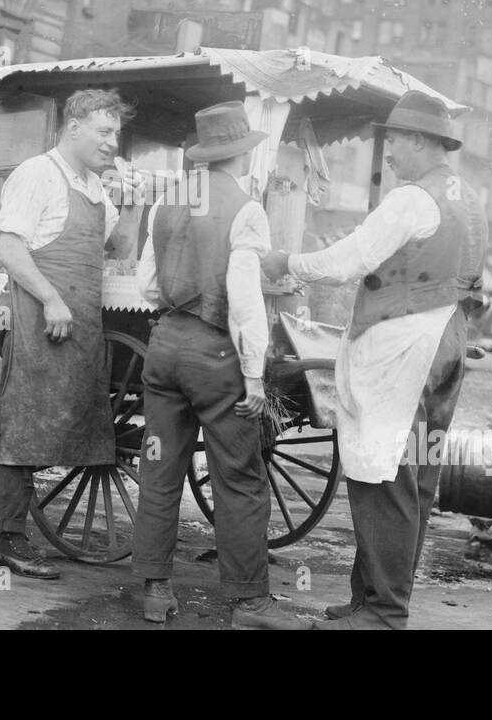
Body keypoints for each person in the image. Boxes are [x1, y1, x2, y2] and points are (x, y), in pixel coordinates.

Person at [262, 90, 488, 629]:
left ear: (419, 141)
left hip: (404, 340)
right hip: (447, 335)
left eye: (395, 143)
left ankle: (383, 613)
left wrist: (286, 261)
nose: (389, 156)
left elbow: (349, 261)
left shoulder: (413, 199)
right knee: (416, 475)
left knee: (383, 474)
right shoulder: (469, 197)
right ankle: (369, 599)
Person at [132, 101, 308, 630]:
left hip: (163, 349)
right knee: (239, 477)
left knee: (159, 471)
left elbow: (146, 284)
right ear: (243, 156)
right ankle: (248, 604)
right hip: (215, 356)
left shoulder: (167, 202)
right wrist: (253, 374)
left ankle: (155, 592)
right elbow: (246, 301)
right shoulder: (245, 208)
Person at [0, 88, 140, 579]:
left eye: (117, 134)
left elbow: (123, 245)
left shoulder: (92, 186)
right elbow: (6, 245)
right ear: (74, 126)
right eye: (104, 131)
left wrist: (130, 200)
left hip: (75, 324)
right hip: (40, 320)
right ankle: (7, 540)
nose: (112, 143)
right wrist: (49, 298)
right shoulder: (37, 174)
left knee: (38, 424)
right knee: (28, 426)